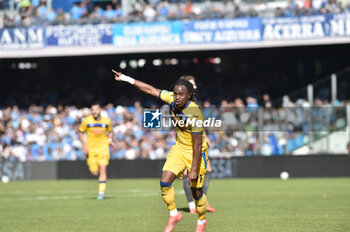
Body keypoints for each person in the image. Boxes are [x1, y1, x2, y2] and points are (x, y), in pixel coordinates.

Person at [113, 70, 208, 232]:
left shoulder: (194, 113)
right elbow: (150, 89)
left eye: (181, 94)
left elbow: (198, 145)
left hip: (195, 152)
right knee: (164, 182)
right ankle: (174, 214)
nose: (177, 97)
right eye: (175, 94)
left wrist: (192, 169)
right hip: (179, 148)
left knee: (196, 191)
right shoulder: (171, 98)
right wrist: (126, 78)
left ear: (189, 96)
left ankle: (201, 220)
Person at [179, 75, 216, 214]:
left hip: (198, 138)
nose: (195, 86)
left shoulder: (194, 101)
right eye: (192, 84)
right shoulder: (181, 100)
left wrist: (204, 136)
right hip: (187, 140)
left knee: (208, 170)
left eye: (195, 84)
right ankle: (192, 205)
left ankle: (203, 201)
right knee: (186, 172)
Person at [78, 102, 114, 200]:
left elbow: (111, 132)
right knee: (94, 172)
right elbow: (80, 132)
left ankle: (101, 194)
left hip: (103, 148)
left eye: (96, 109)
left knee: (103, 170)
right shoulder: (86, 121)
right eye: (93, 110)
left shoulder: (107, 121)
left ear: (100, 110)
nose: (94, 111)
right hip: (91, 150)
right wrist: (84, 145)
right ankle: (100, 187)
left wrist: (110, 140)